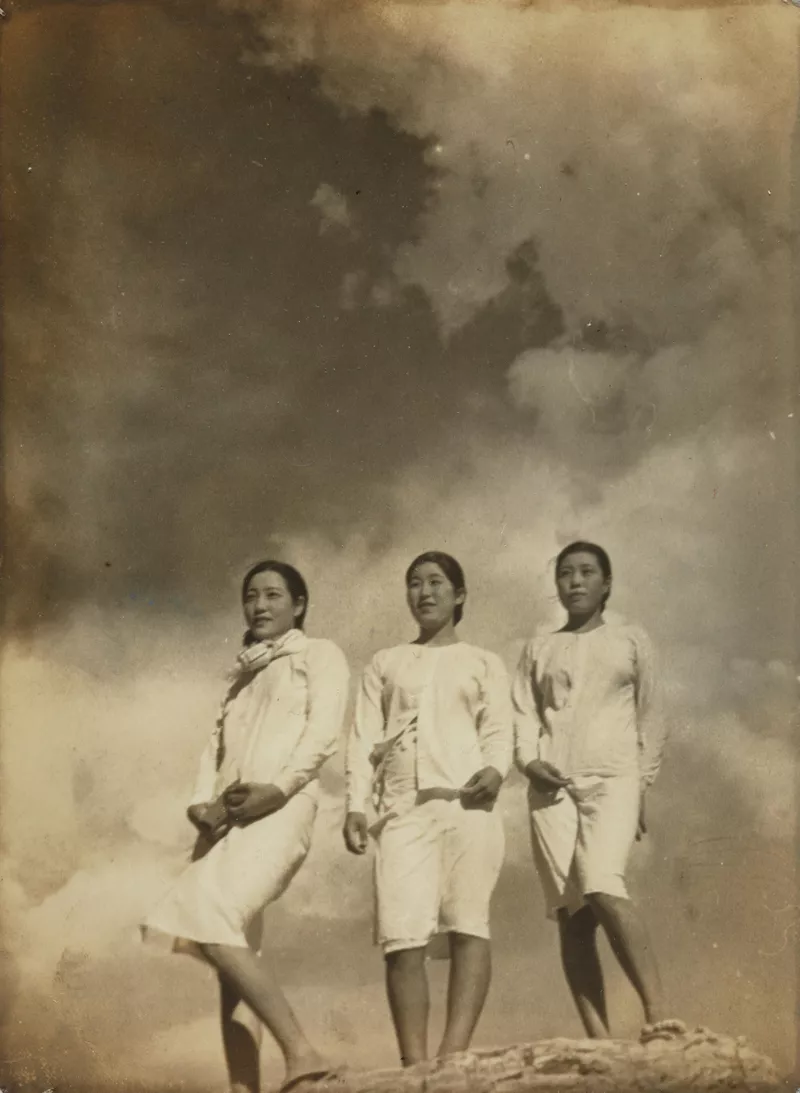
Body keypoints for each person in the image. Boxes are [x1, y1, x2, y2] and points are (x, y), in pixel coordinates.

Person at [142, 561, 350, 1093]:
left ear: (298, 605)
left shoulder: (319, 654)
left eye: (273, 595)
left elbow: (323, 734)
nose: (259, 605)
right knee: (234, 950)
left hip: (282, 809)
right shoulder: (242, 675)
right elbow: (214, 750)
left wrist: (277, 789)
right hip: (226, 823)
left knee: (209, 916)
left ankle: (304, 1053)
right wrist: (200, 805)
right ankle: (244, 1088)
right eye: (251, 596)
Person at [343, 551, 513, 1067]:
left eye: (437, 582)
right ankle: (413, 1067)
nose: (425, 592)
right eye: (415, 583)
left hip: (469, 807)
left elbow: (499, 729)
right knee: (401, 937)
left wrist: (496, 770)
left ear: (459, 595)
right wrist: (355, 804)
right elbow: (362, 737)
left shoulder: (484, 662)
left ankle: (452, 1058)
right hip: (401, 812)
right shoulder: (385, 662)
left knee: (468, 923)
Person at [512, 541, 683, 1044]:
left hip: (614, 778)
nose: (575, 582)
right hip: (552, 789)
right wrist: (529, 763)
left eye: (587, 572)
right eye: (566, 573)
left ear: (606, 583)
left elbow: (653, 716)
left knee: (603, 884)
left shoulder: (631, 639)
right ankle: (599, 1043)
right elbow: (523, 714)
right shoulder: (538, 647)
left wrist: (642, 782)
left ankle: (659, 1018)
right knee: (573, 915)